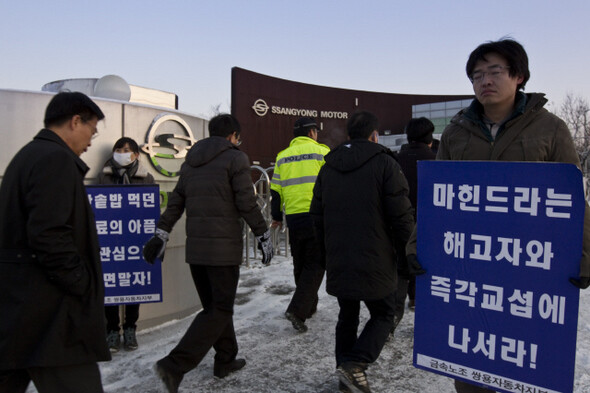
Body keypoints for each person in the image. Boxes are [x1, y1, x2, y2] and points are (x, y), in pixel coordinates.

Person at [408, 38, 590, 393]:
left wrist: (584, 253)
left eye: (494, 71)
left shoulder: (550, 128)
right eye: (477, 75)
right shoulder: (456, 132)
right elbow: (436, 201)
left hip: (528, 264)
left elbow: (572, 200)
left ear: (518, 76)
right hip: (470, 262)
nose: (485, 81)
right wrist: (418, 243)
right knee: (470, 361)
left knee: (522, 360)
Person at [142, 113, 273, 393]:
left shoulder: (191, 162)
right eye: (239, 137)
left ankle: (225, 359)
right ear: (232, 136)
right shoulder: (236, 158)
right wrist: (263, 234)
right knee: (220, 309)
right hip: (222, 251)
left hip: (197, 252)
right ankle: (174, 365)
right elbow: (247, 203)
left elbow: (176, 202)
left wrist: (161, 233)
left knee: (215, 309)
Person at [0, 92, 110, 393]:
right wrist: (82, 283)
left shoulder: (29, 155)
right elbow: (49, 235)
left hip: (22, 309)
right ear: (76, 121)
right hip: (52, 316)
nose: (92, 139)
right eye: (92, 128)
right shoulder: (55, 160)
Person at [310, 111, 417, 393]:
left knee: (347, 315)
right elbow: (402, 216)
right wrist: (409, 251)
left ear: (348, 136)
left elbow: (316, 215)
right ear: (374, 135)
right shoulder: (384, 163)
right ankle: (355, 365)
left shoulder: (328, 166)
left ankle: (347, 380)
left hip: (339, 254)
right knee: (384, 313)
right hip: (377, 255)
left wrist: (324, 253)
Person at [270, 116, 330, 333]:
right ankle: (298, 310)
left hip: (294, 216)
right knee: (316, 263)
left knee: (301, 261)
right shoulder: (323, 153)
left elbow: (275, 190)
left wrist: (276, 216)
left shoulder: (282, 156)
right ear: (312, 132)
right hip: (317, 215)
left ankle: (309, 306)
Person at [98, 137, 155, 352]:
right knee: (111, 285)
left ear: (137, 155)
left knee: (134, 284)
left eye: (127, 150)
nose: (122, 152)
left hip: (136, 240)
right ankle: (112, 330)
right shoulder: (104, 177)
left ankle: (130, 328)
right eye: (119, 149)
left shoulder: (146, 178)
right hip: (110, 241)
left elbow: (150, 211)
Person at [393, 118, 436, 331]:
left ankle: (393, 316)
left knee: (401, 268)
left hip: (399, 221)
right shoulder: (436, 160)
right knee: (423, 267)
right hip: (427, 225)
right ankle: (418, 303)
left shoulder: (395, 159)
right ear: (430, 138)